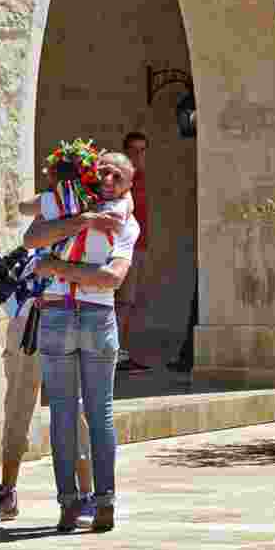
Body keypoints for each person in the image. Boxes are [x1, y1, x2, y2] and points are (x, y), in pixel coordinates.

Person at [0, 160, 100, 528]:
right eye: (58, 179)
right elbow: (27, 222)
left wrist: (82, 209)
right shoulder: (51, 210)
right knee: (17, 402)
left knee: (74, 404)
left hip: (71, 314)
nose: (60, 184)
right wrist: (55, 201)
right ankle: (7, 491)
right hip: (31, 315)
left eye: (68, 179)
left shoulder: (102, 214)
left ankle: (86, 494)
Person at [25, 151, 139, 533]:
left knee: (94, 413)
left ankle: (100, 501)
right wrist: (84, 220)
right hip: (65, 315)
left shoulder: (126, 222)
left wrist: (58, 268)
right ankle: (71, 503)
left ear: (129, 184)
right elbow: (32, 238)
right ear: (90, 172)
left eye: (118, 175)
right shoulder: (69, 205)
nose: (108, 178)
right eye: (103, 170)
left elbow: (112, 278)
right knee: (65, 413)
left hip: (88, 316)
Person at [116, 132, 151, 374]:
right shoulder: (122, 180)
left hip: (139, 246)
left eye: (143, 150)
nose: (138, 156)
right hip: (125, 248)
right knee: (123, 302)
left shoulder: (142, 178)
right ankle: (115, 354)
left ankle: (120, 351)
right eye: (134, 150)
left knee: (128, 303)